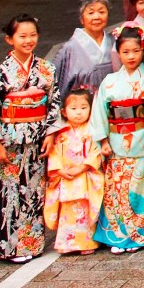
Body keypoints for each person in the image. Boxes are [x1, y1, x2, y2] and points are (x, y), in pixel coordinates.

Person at [0, 12, 56, 263]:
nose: (28, 40)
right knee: (8, 194)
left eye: (32, 35)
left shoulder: (46, 69)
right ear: (10, 39)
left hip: (37, 140)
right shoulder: (1, 74)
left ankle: (31, 245)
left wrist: (51, 133)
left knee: (33, 192)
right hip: (9, 143)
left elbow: (54, 104)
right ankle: (9, 248)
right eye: (22, 36)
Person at [90, 24, 144, 253]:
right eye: (125, 52)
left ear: (143, 51)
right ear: (118, 53)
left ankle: (139, 237)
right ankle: (117, 239)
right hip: (116, 145)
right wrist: (103, 141)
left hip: (142, 144)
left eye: (135, 51)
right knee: (116, 191)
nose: (131, 56)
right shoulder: (110, 82)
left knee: (139, 191)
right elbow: (100, 112)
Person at [43, 88, 106, 254]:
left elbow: (95, 151)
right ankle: (67, 243)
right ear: (64, 112)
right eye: (74, 109)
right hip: (66, 175)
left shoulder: (91, 130)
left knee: (85, 209)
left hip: (84, 174)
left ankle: (87, 243)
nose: (79, 113)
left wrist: (83, 166)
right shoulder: (60, 134)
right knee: (67, 211)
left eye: (84, 108)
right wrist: (59, 170)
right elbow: (54, 153)